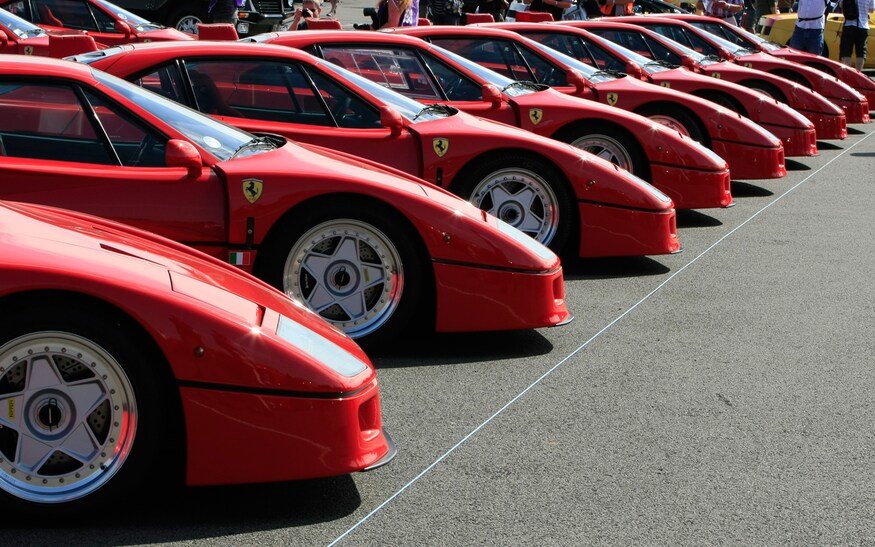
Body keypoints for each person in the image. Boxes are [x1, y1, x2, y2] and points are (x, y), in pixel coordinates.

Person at [839, 0, 873, 69]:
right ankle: (858, 74)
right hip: (863, 26)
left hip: (848, 24)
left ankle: (847, 74)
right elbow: (871, 9)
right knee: (861, 53)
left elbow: (841, 4)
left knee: (846, 52)